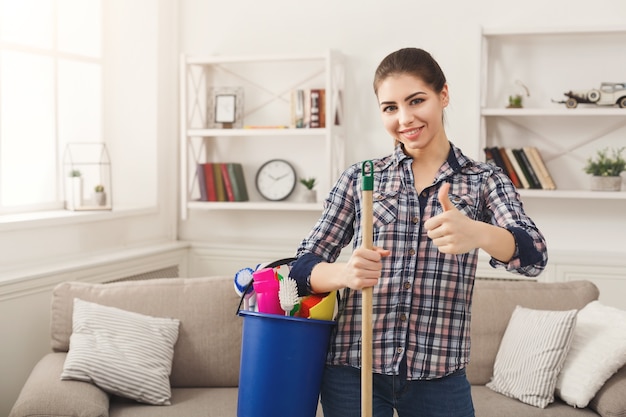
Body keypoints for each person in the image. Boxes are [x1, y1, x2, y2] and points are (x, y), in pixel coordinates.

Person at [288, 47, 548, 417]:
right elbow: (301, 269)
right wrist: (346, 273)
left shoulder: (484, 180)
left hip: (439, 375)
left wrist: (478, 233)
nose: (405, 118)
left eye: (417, 101)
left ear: (443, 95)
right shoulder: (362, 177)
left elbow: (535, 256)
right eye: (390, 107)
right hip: (352, 370)